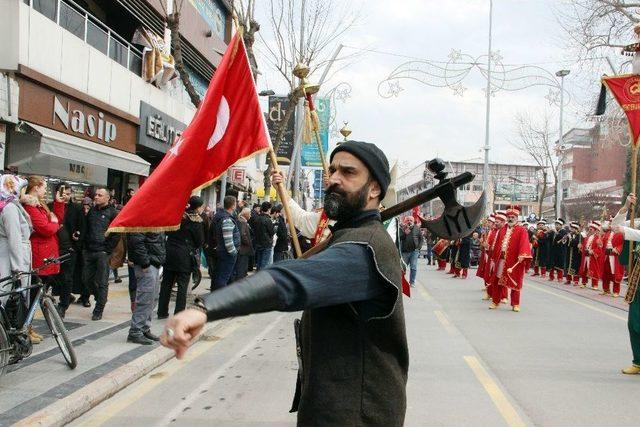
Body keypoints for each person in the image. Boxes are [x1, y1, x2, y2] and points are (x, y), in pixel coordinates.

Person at [161, 141, 408, 425]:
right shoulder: (349, 235)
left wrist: (206, 308)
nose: (335, 179)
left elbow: (290, 281)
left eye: (348, 173)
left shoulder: (365, 248)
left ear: (374, 189)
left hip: (354, 415)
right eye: (333, 170)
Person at [22, 176, 66, 341]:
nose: (45, 190)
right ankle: (25, 327)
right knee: (32, 295)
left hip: (47, 254)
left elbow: (56, 220)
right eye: (43, 187)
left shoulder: (40, 205)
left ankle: (28, 326)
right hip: (40, 256)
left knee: (37, 293)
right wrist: (55, 224)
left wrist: (59, 204)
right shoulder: (30, 207)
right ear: (35, 187)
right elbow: (46, 228)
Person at [157, 196, 205, 318]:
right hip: (185, 255)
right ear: (198, 207)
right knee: (182, 285)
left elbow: (167, 231)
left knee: (166, 283)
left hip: (170, 252)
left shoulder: (178, 216)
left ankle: (162, 312)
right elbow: (199, 241)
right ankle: (178, 313)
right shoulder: (197, 220)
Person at [610, 193, 640, 374]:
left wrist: (628, 232)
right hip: (638, 277)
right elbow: (615, 226)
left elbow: (628, 232)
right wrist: (627, 205)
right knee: (634, 321)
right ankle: (638, 361)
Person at [82, 187, 119, 321]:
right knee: (86, 279)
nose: (96, 197)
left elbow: (116, 234)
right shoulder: (92, 210)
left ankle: (99, 309)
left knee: (102, 281)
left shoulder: (113, 213)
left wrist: (107, 249)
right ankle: (100, 296)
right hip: (89, 250)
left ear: (107, 198)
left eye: (99, 195)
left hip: (102, 252)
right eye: (96, 195)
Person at [488, 205, 532, 312]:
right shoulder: (502, 229)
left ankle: (515, 304)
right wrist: (493, 258)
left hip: (514, 260)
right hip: (501, 260)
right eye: (509, 217)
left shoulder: (522, 230)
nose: (511, 218)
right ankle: (495, 301)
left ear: (517, 218)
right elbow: (497, 244)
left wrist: (523, 254)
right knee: (497, 280)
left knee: (515, 281)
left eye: (513, 217)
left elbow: (524, 243)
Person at [50, 183, 84, 318]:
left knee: (66, 277)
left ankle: (63, 305)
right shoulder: (51, 206)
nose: (66, 196)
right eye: (63, 192)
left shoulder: (76, 208)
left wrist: (77, 241)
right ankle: (64, 296)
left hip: (69, 249)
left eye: (68, 193)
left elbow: (82, 227)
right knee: (52, 277)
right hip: (53, 248)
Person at [126, 231, 166, 345]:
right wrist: (145, 263)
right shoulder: (143, 218)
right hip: (147, 264)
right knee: (145, 298)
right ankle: (135, 331)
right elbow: (137, 241)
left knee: (152, 298)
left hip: (155, 262)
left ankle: (144, 328)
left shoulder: (155, 217)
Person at [0, 174, 31, 317]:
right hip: (10, 257)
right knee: (5, 295)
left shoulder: (6, 205)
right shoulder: (10, 208)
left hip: (7, 254)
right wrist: (18, 269)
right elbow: (14, 239)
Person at [212, 196, 240, 289]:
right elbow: (228, 240)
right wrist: (234, 252)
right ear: (233, 206)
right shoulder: (227, 219)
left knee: (220, 277)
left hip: (222, 251)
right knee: (223, 278)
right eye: (235, 203)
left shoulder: (221, 216)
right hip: (227, 253)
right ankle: (220, 300)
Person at [601, 221, 624, 297]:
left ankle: (616, 291)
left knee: (615, 274)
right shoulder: (607, 234)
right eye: (610, 224)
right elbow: (603, 244)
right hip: (606, 256)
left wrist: (617, 249)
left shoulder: (620, 234)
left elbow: (622, 244)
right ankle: (606, 289)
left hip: (614, 256)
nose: (610, 225)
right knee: (606, 273)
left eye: (612, 224)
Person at [578, 221, 603, 290]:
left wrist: (592, 251)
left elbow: (599, 249)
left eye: (591, 229)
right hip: (586, 256)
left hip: (592, 256)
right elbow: (584, 246)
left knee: (593, 270)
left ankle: (595, 284)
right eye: (589, 229)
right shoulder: (586, 238)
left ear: (595, 230)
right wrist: (581, 247)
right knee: (584, 269)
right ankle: (583, 282)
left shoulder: (598, 238)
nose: (589, 230)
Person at [399, 216, 422, 287]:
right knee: (402, 267)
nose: (409, 221)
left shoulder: (417, 228)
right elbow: (399, 237)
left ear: (413, 221)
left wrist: (418, 248)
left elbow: (421, 239)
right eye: (407, 220)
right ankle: (402, 282)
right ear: (405, 221)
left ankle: (412, 282)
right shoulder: (402, 228)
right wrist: (404, 233)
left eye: (411, 220)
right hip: (405, 251)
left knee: (413, 267)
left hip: (414, 251)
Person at [253, 201, 275, 270]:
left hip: (258, 243)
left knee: (259, 262)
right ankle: (261, 278)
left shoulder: (257, 218)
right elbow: (272, 232)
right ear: (268, 209)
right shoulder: (268, 220)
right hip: (267, 244)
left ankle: (257, 277)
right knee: (264, 264)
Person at [234, 207, 253, 280]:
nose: (250, 215)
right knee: (241, 268)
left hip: (242, 249)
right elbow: (242, 234)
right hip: (243, 249)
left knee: (240, 267)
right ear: (246, 214)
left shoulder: (241, 220)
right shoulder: (243, 222)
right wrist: (248, 242)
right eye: (250, 214)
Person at [564, 222, 583, 286]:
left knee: (575, 267)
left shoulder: (580, 236)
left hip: (576, 255)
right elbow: (566, 244)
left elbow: (575, 243)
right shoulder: (570, 235)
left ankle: (576, 281)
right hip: (569, 253)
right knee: (568, 266)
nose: (571, 230)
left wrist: (570, 238)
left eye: (573, 229)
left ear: (576, 229)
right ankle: (568, 280)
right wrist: (566, 239)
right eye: (571, 229)